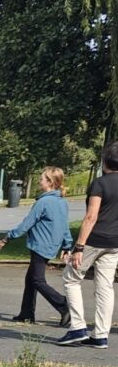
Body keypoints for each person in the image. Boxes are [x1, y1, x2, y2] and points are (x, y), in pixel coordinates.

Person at [57, 142, 118, 348]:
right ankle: (101, 335)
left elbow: (91, 216)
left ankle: (78, 328)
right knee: (105, 287)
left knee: (71, 278)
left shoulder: (99, 183)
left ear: (104, 161)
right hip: (114, 243)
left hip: (94, 239)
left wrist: (79, 247)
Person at [0, 167, 72, 326]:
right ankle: (27, 313)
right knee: (31, 279)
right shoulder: (62, 202)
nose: (39, 181)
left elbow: (27, 224)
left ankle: (63, 305)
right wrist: (67, 245)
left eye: (42, 178)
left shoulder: (43, 201)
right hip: (51, 244)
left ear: (50, 182)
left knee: (37, 280)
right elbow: (65, 226)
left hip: (40, 245)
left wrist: (7, 238)